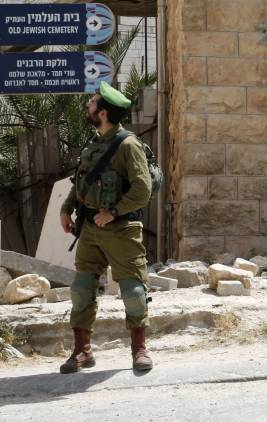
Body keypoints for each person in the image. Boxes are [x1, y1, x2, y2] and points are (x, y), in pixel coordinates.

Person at [59, 81, 153, 373]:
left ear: (102, 113)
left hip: (122, 230)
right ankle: (82, 351)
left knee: (133, 291)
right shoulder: (94, 144)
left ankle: (139, 349)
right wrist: (66, 208)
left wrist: (112, 212)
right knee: (81, 289)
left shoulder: (128, 145)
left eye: (92, 102)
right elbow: (83, 182)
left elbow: (143, 188)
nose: (87, 105)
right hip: (89, 229)